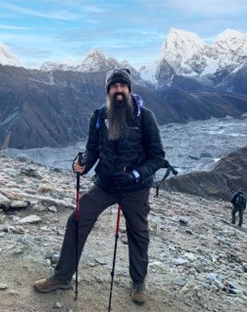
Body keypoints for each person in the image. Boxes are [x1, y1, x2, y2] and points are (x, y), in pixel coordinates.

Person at [33, 68, 166, 305]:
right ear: (108, 91)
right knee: (76, 219)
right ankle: (62, 276)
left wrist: (136, 174)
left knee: (138, 233)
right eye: (114, 86)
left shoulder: (145, 117)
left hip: (135, 188)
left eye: (122, 86)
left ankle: (138, 281)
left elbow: (157, 157)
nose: (118, 90)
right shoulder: (99, 116)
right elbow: (93, 149)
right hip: (105, 184)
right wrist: (83, 164)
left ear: (129, 89)